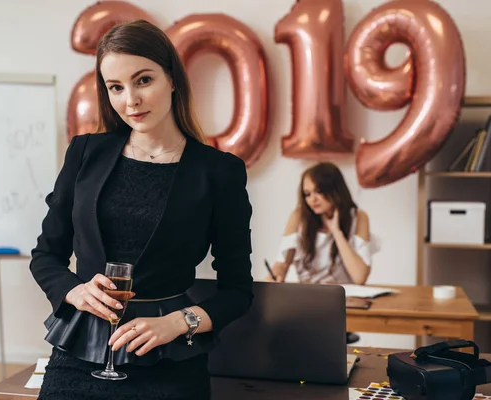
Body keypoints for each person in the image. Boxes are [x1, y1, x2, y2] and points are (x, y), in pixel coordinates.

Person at [29, 20, 253, 400]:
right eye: (115, 87)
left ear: (172, 79)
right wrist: (75, 292)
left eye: (143, 80)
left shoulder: (219, 171)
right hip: (79, 353)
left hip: (169, 361)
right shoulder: (84, 153)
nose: (129, 99)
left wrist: (179, 322)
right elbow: (45, 256)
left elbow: (237, 290)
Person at [267, 161, 376, 286]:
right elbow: (282, 263)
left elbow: (360, 277)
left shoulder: (358, 217)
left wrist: (336, 231)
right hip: (309, 297)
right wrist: (276, 274)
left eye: (318, 191)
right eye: (307, 194)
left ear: (335, 190)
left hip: (345, 298)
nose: (313, 200)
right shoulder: (299, 217)